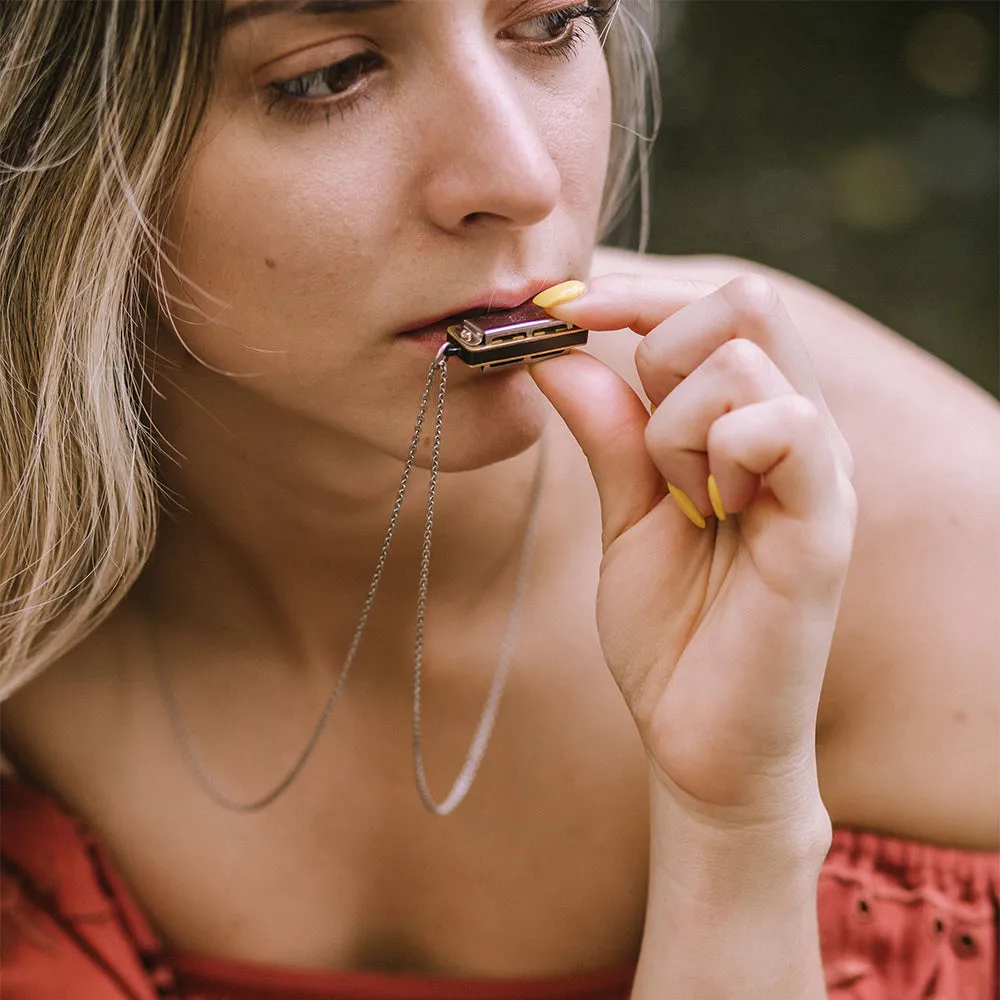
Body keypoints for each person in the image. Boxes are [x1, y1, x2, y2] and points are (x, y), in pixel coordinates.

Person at [0, 1, 996, 997]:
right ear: (46, 134)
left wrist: (737, 835)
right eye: (327, 74)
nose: (519, 178)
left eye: (554, 23)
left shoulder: (953, 572)